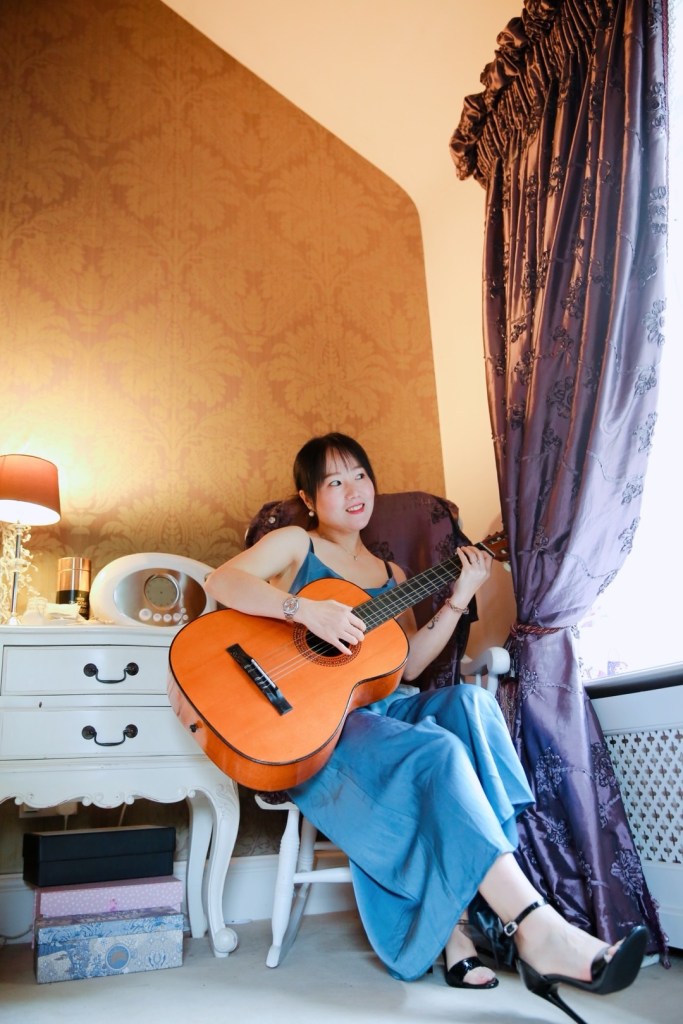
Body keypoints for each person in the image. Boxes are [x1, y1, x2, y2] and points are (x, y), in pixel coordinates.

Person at [205, 432, 647, 1021]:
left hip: (384, 710)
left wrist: (459, 596)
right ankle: (517, 930)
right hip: (320, 730)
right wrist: (305, 609)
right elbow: (221, 583)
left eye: (360, 475)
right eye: (334, 481)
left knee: (474, 710)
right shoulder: (294, 543)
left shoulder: (391, 574)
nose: (353, 489)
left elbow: (407, 666)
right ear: (309, 498)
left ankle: (480, 921)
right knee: (438, 752)